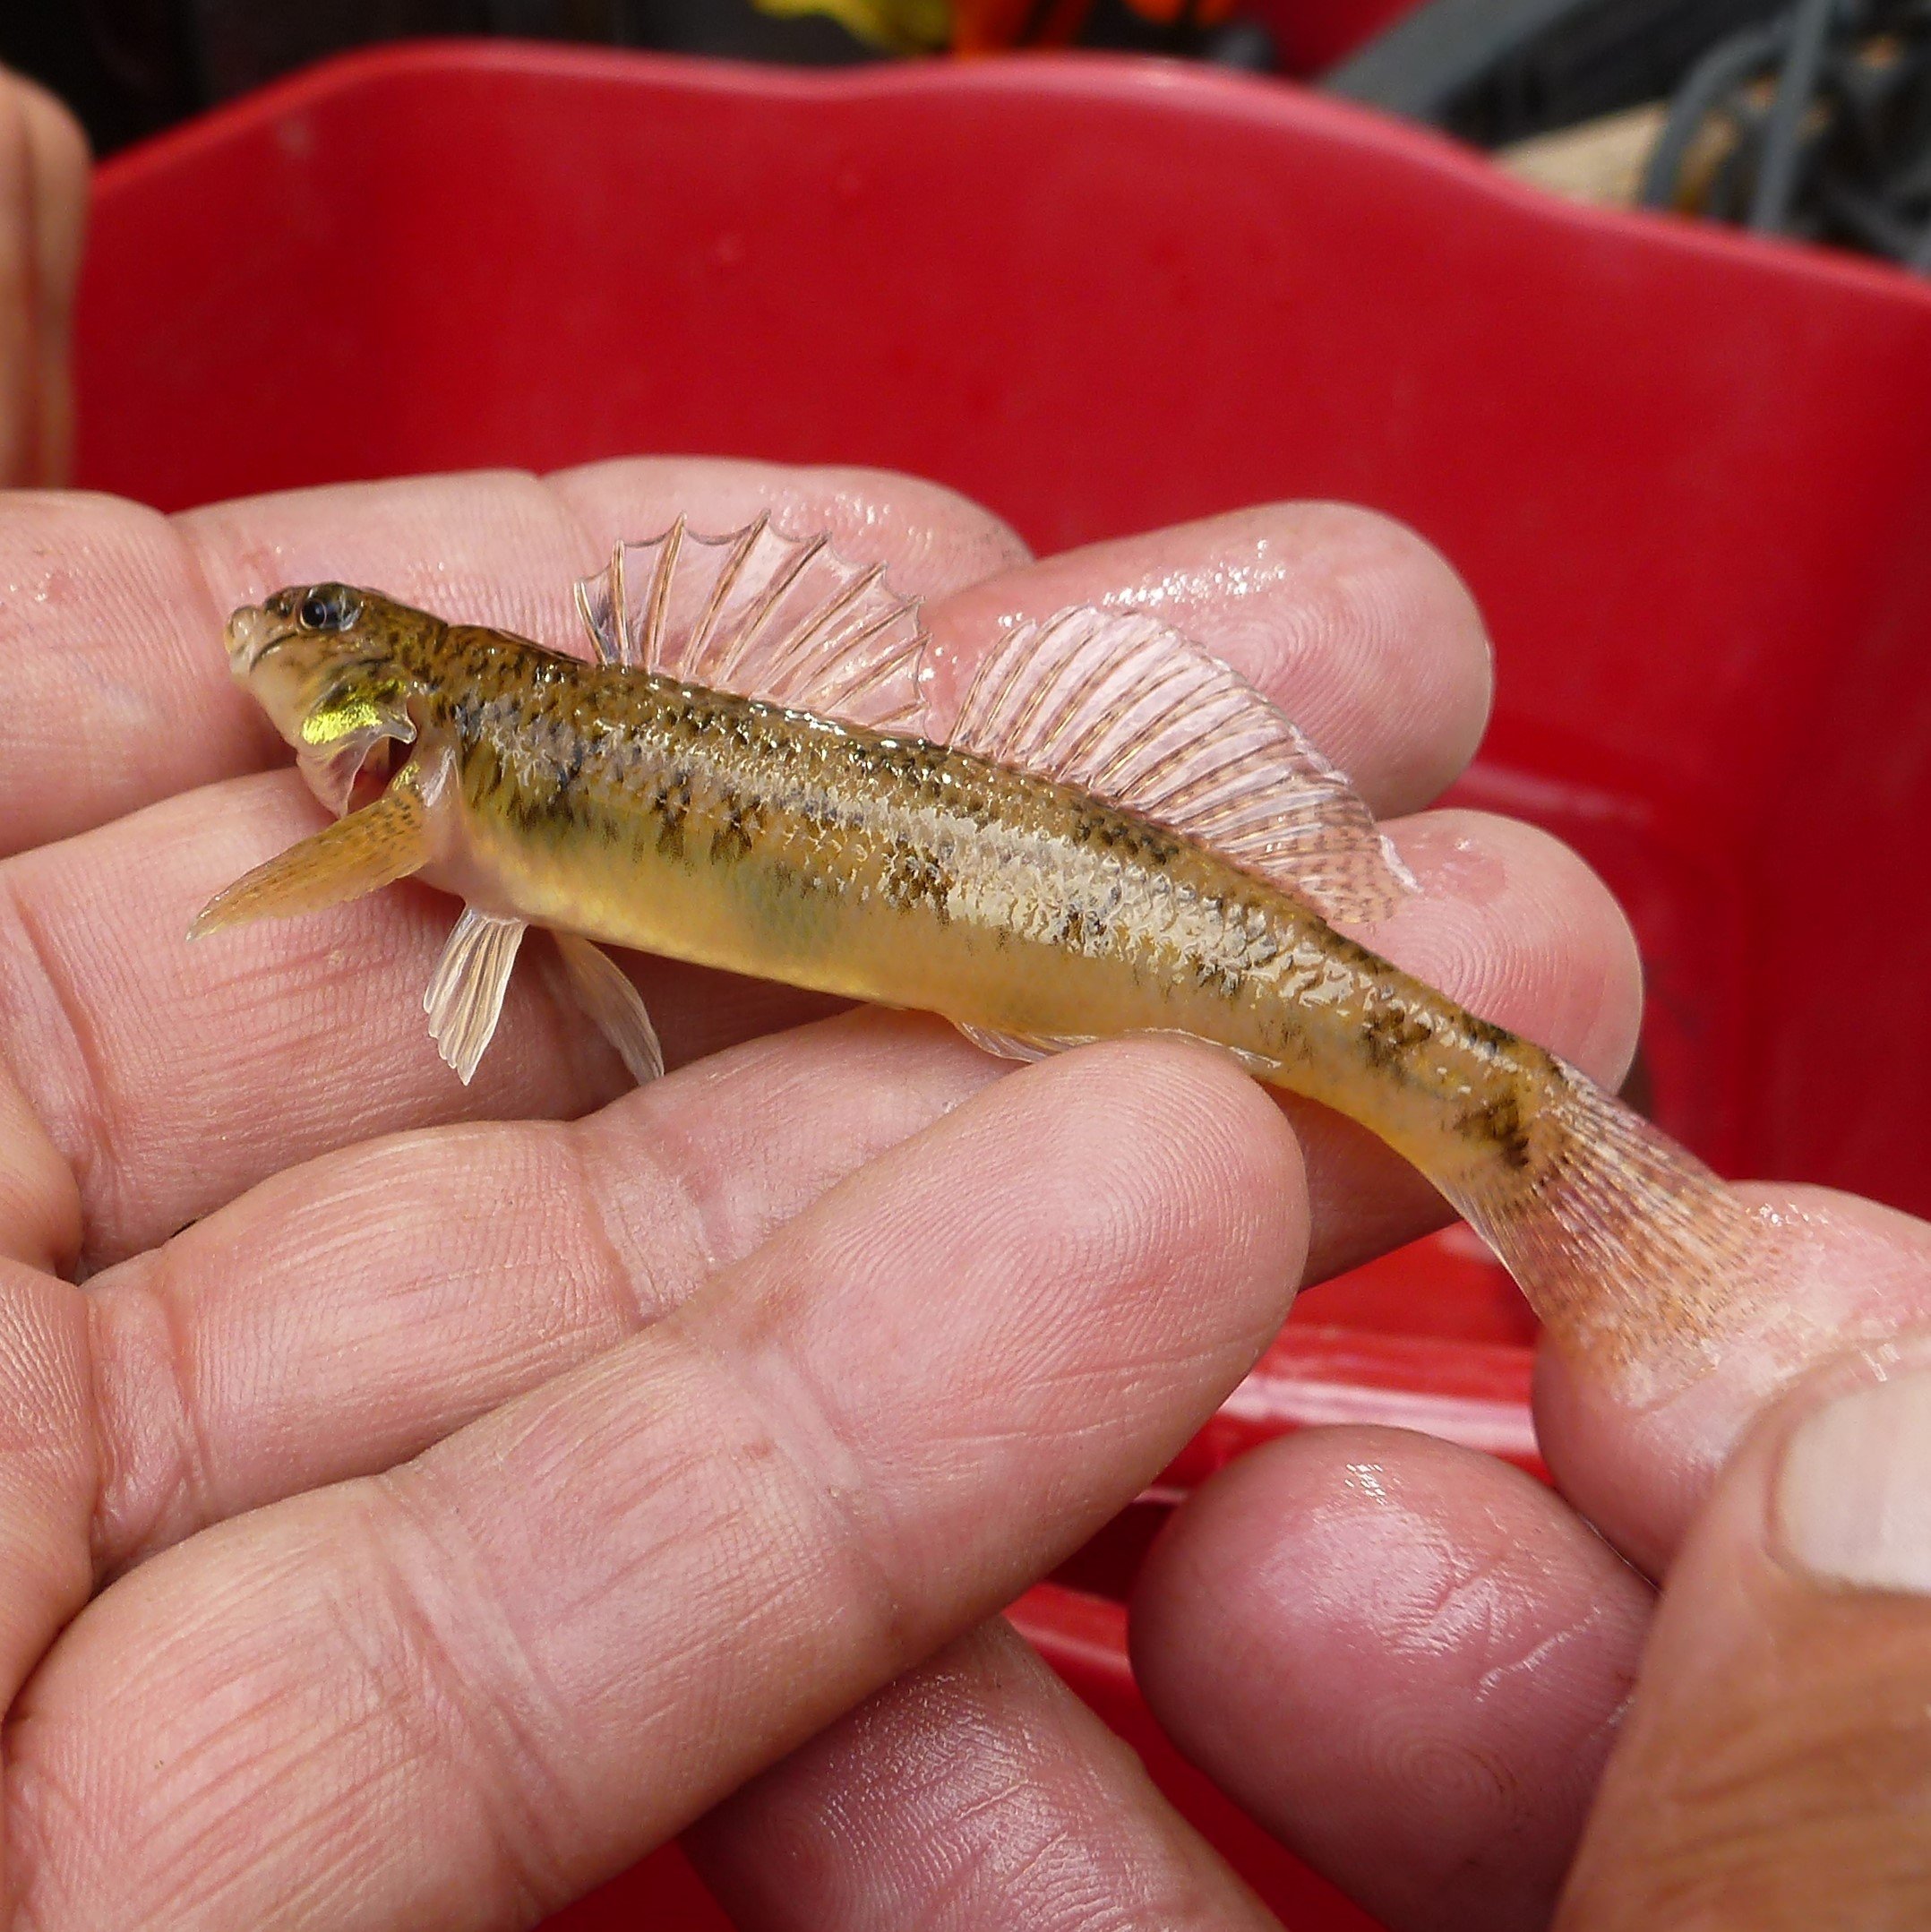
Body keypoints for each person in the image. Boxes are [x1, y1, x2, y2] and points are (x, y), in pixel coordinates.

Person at [4, 64, 1929, 1932]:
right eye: (309, 628)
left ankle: (1525, 1144)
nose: (282, 643)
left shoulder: (438, 774)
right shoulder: (462, 778)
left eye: (320, 636)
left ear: (404, 726)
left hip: (1062, 888)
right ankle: (1528, 1141)